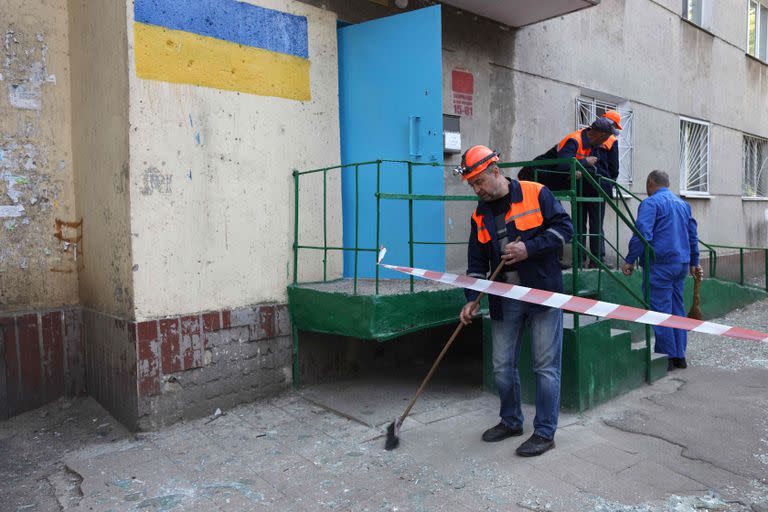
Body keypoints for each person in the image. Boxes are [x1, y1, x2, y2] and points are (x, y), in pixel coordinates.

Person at [455, 145, 573, 457]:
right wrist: (471, 298)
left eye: (479, 182)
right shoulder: (479, 214)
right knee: (501, 366)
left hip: (543, 292)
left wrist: (529, 249)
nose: (477, 189)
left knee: (546, 366)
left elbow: (565, 229)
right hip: (503, 298)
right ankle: (511, 421)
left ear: (495, 171)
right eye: (472, 185)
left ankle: (545, 433)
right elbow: (476, 263)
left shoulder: (537, 193)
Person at [621, 170, 701, 370]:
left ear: (650, 182)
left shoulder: (650, 203)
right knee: (677, 308)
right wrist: (694, 262)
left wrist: (630, 260)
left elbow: (642, 234)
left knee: (660, 311)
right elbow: (692, 235)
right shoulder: (683, 204)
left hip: (660, 265)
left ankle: (666, 357)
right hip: (681, 264)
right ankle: (679, 355)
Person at [555, 117, 618, 267]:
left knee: (592, 225)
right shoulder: (575, 140)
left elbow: (594, 165)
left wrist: (581, 169)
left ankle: (591, 261)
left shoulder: (593, 143)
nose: (605, 142)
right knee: (583, 225)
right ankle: (583, 260)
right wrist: (582, 165)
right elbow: (562, 164)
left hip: (589, 187)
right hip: (582, 188)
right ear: (598, 134)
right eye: (605, 138)